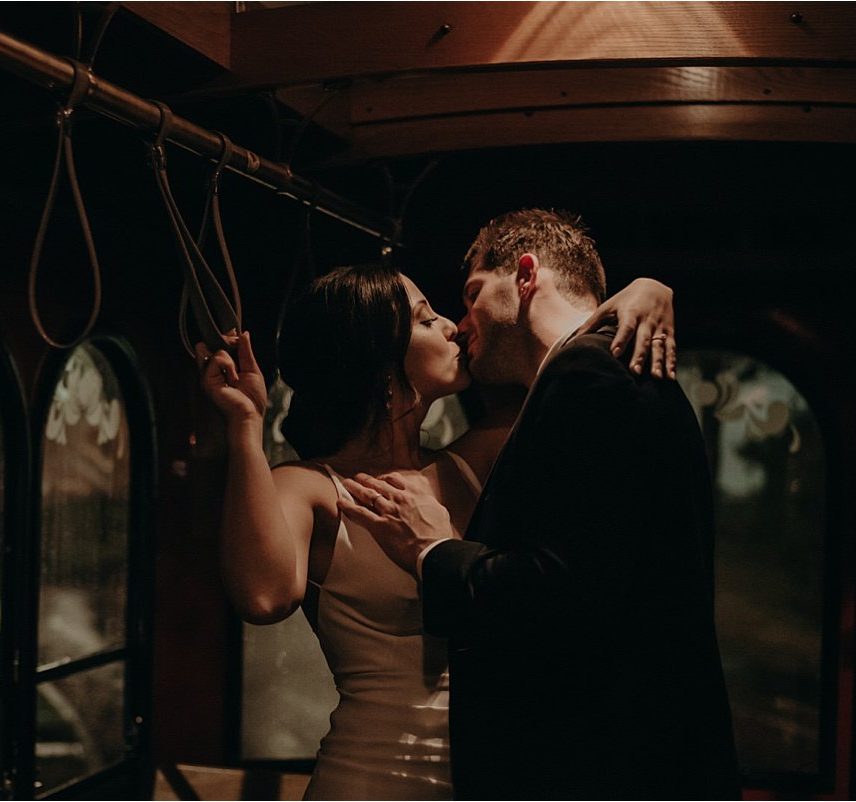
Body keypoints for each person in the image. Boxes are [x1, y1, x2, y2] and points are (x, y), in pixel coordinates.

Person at [196, 261, 676, 800]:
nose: (452, 325)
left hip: (492, 781)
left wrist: (645, 290)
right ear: (380, 361)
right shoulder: (313, 489)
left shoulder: (479, 459)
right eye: (426, 320)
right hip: (368, 782)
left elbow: (563, 366)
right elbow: (263, 596)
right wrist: (245, 423)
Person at [340, 208, 740, 799]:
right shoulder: (604, 368)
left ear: (525, 277)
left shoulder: (586, 374)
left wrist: (434, 549)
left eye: (472, 293)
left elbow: (560, 591)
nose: (461, 321)